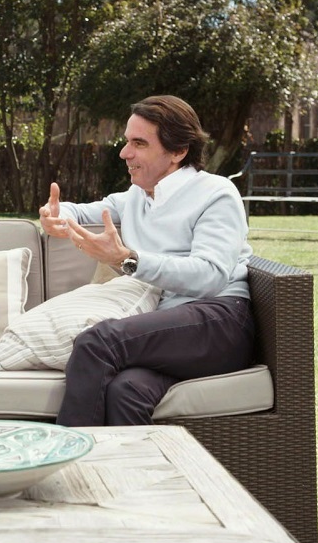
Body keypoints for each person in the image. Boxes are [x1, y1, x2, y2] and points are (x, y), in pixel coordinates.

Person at [40, 95, 255, 427]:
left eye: (139, 143)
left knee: (97, 343)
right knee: (126, 391)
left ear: (178, 151)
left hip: (220, 322)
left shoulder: (217, 193)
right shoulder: (136, 197)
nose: (125, 152)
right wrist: (56, 215)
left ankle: (67, 469)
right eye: (127, 142)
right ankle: (127, 478)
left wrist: (128, 259)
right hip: (171, 328)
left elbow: (211, 275)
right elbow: (79, 211)